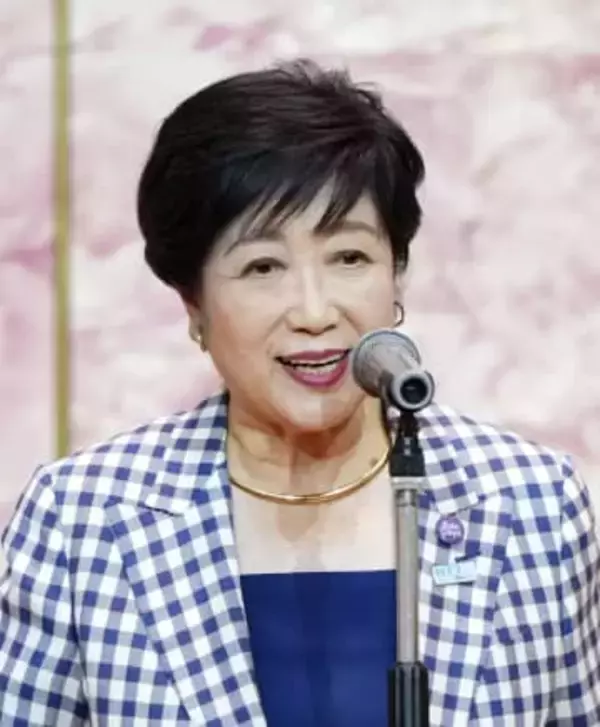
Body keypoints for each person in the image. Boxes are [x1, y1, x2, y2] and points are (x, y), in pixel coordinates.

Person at [0, 59, 599, 727]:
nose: (314, 312)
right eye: (263, 266)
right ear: (194, 303)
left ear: (397, 274)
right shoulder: (82, 520)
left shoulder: (530, 506)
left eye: (349, 258)